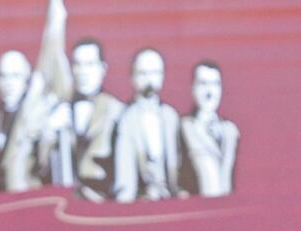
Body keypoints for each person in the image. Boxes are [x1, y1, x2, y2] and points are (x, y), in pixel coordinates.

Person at [43, 38, 125, 200]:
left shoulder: (117, 111)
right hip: (62, 202)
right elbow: (39, 167)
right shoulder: (58, 110)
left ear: (103, 69)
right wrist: (49, 131)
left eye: (90, 64)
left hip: (103, 202)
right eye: (77, 64)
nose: (82, 72)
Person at [113, 48, 181, 202]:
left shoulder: (171, 117)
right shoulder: (125, 119)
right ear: (132, 77)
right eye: (143, 73)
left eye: (155, 73)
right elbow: (124, 176)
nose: (149, 79)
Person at [179, 61, 240, 197]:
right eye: (203, 84)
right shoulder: (183, 127)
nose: (209, 92)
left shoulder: (230, 131)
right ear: (192, 88)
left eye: (215, 84)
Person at [0, 50, 32, 192]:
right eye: (3, 76)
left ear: (27, 81)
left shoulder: (38, 122)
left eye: (15, 76)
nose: (9, 83)